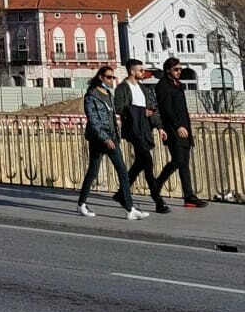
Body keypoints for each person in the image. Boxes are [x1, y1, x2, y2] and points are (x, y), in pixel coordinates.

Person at [77, 63, 145, 218]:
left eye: (113, 77)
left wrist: (116, 135)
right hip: (101, 139)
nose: (111, 80)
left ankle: (81, 204)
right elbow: (93, 120)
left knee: (92, 172)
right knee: (122, 171)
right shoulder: (91, 96)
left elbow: (112, 117)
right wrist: (106, 138)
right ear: (100, 77)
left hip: (112, 137)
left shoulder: (109, 94)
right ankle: (130, 208)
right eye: (108, 77)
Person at [114, 58, 170, 213]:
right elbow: (119, 108)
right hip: (133, 130)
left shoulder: (143, 88)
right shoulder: (122, 89)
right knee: (147, 162)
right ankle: (158, 201)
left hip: (145, 128)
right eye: (140, 70)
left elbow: (151, 108)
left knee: (140, 163)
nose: (142, 72)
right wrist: (139, 112)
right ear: (132, 71)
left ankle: (121, 193)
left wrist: (159, 127)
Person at [154, 55, 207, 209]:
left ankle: (189, 196)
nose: (179, 72)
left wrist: (186, 127)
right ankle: (156, 185)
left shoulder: (178, 85)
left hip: (185, 127)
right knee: (177, 160)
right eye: (176, 69)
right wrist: (177, 126)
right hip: (174, 129)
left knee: (184, 163)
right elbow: (166, 109)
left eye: (180, 69)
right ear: (168, 70)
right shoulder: (163, 86)